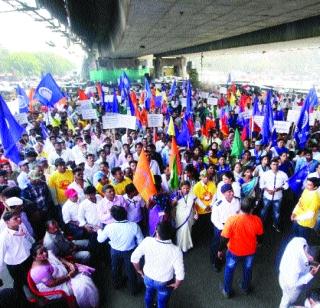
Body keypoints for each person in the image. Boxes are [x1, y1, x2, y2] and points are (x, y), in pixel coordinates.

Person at [131, 222, 185, 308]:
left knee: (148, 294)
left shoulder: (147, 241)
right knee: (162, 302)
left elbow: (134, 258)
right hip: (164, 282)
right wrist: (177, 284)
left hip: (147, 277)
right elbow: (180, 275)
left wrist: (138, 270)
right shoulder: (176, 250)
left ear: (156, 231)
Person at [218, 198, 263, 298]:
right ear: (252, 209)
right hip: (250, 251)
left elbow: (224, 238)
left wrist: (220, 250)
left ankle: (227, 291)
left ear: (240, 207)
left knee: (229, 269)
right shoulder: (257, 220)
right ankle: (245, 287)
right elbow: (260, 236)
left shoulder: (232, 220)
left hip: (234, 251)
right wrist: (259, 243)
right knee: (248, 269)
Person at [29, 244, 99, 308]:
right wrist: (69, 276)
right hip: (55, 287)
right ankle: (88, 305)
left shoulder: (46, 255)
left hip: (63, 276)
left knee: (83, 274)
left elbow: (58, 258)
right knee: (84, 285)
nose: (45, 253)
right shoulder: (38, 271)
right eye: (41, 253)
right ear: (35, 257)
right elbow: (51, 284)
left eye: (45, 250)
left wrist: (68, 264)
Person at [97, 206, 143, 294]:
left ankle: (117, 285)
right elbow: (141, 241)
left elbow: (100, 240)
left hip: (115, 251)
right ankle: (134, 289)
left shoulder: (109, 227)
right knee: (130, 270)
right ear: (126, 214)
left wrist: (99, 231)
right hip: (129, 251)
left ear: (113, 217)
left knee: (115, 268)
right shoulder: (134, 225)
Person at [0, 211, 34, 297]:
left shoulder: (21, 226)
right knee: (19, 283)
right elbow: (1, 256)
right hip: (15, 265)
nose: (19, 219)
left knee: (31, 280)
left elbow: (29, 239)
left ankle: (36, 296)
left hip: (28, 258)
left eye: (19, 217)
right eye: (15, 218)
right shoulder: (4, 237)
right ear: (7, 222)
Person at [279, 237, 320, 308]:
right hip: (289, 284)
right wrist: (311, 274)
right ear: (311, 258)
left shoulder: (301, 241)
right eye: (316, 263)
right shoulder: (295, 266)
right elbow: (293, 283)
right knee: (287, 299)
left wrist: (311, 265)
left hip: (286, 273)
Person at [210, 183, 240, 272]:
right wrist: (223, 228)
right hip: (221, 227)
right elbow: (214, 219)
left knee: (230, 245)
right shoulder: (218, 204)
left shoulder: (237, 201)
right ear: (223, 194)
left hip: (234, 227)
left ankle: (230, 259)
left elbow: (238, 214)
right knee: (218, 245)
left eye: (232, 191)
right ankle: (216, 263)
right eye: (229, 192)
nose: (231, 193)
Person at [259, 158, 288, 232]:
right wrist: (267, 190)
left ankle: (276, 224)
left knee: (277, 212)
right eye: (273, 164)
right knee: (264, 211)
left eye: (276, 164)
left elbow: (287, 185)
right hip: (267, 196)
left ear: (279, 165)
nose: (275, 166)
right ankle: (260, 225)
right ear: (270, 165)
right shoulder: (265, 174)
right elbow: (261, 185)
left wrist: (279, 188)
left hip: (278, 197)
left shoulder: (283, 174)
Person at [175, 181, 196, 253]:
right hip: (180, 215)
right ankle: (179, 246)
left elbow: (194, 204)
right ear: (181, 188)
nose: (186, 190)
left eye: (187, 188)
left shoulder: (192, 195)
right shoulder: (177, 194)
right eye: (184, 188)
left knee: (187, 230)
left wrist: (196, 213)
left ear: (190, 188)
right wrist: (177, 198)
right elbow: (172, 204)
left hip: (189, 215)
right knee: (181, 230)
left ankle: (186, 246)